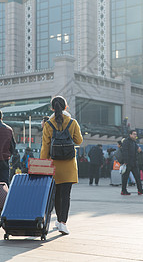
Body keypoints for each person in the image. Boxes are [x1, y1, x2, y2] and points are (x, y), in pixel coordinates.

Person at [40, 95, 83, 235]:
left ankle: (58, 221)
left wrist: (43, 164)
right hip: (69, 165)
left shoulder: (48, 124)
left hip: (54, 166)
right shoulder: (72, 122)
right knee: (66, 195)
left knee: (56, 195)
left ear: (52, 108)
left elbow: (45, 147)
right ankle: (62, 222)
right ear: (66, 107)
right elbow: (79, 140)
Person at [121, 130, 143, 195]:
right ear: (130, 135)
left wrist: (139, 150)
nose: (135, 135)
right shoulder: (126, 141)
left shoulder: (134, 142)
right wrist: (125, 162)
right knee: (125, 177)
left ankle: (140, 190)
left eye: (136, 134)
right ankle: (123, 191)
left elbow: (137, 150)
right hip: (128, 162)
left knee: (137, 177)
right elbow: (125, 152)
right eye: (134, 134)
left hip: (134, 162)